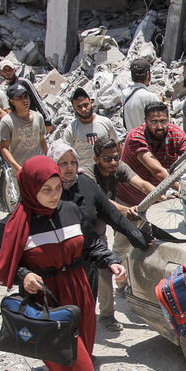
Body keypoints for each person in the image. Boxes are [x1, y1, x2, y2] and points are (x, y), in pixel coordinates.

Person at [0, 156, 134, 371]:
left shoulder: (69, 210)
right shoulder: (15, 224)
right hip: (48, 305)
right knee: (81, 370)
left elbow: (90, 244)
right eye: (46, 190)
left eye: (57, 187)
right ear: (29, 189)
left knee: (73, 364)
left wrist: (110, 261)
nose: (54, 195)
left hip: (81, 296)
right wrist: (22, 276)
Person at [47, 142, 151, 332]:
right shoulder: (46, 190)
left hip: (92, 248)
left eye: (72, 162)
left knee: (97, 286)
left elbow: (111, 214)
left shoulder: (85, 184)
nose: (69, 168)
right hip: (59, 260)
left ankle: (104, 317)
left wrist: (139, 237)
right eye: (63, 164)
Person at [84, 136, 158, 295]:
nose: (113, 162)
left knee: (126, 247)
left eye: (116, 157)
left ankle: (122, 286)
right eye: (107, 159)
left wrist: (162, 196)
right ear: (96, 159)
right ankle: (105, 315)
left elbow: (142, 184)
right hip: (90, 224)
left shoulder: (119, 167)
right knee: (103, 265)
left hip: (108, 215)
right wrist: (127, 210)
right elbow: (104, 202)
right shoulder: (88, 175)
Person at [118, 101, 186, 206]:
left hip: (157, 199)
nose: (160, 127)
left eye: (163, 121)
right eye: (154, 122)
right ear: (146, 121)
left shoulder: (175, 134)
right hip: (129, 200)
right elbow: (157, 171)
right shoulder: (136, 137)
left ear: (169, 119)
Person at [59, 87, 118, 166]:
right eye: (79, 107)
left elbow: (117, 145)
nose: (83, 109)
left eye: (85, 105)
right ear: (74, 109)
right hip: (84, 173)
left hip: (106, 169)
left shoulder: (105, 122)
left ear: (91, 102)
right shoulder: (71, 130)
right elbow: (66, 155)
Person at [0, 84, 48, 175]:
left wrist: (47, 158)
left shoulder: (38, 117)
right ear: (12, 102)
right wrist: (17, 167)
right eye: (19, 98)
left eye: (26, 97)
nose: (25, 101)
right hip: (22, 172)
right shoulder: (7, 122)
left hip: (40, 168)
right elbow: (4, 147)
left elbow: (42, 140)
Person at [0, 58, 52, 132]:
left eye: (10, 69)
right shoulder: (7, 89)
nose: (8, 72)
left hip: (32, 120)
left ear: (14, 70)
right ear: (1, 73)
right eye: (5, 70)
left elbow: (37, 100)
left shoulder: (24, 82)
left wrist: (47, 119)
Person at [121, 59, 160, 132]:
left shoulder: (124, 94)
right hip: (147, 141)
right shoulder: (151, 97)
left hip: (132, 140)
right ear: (148, 74)